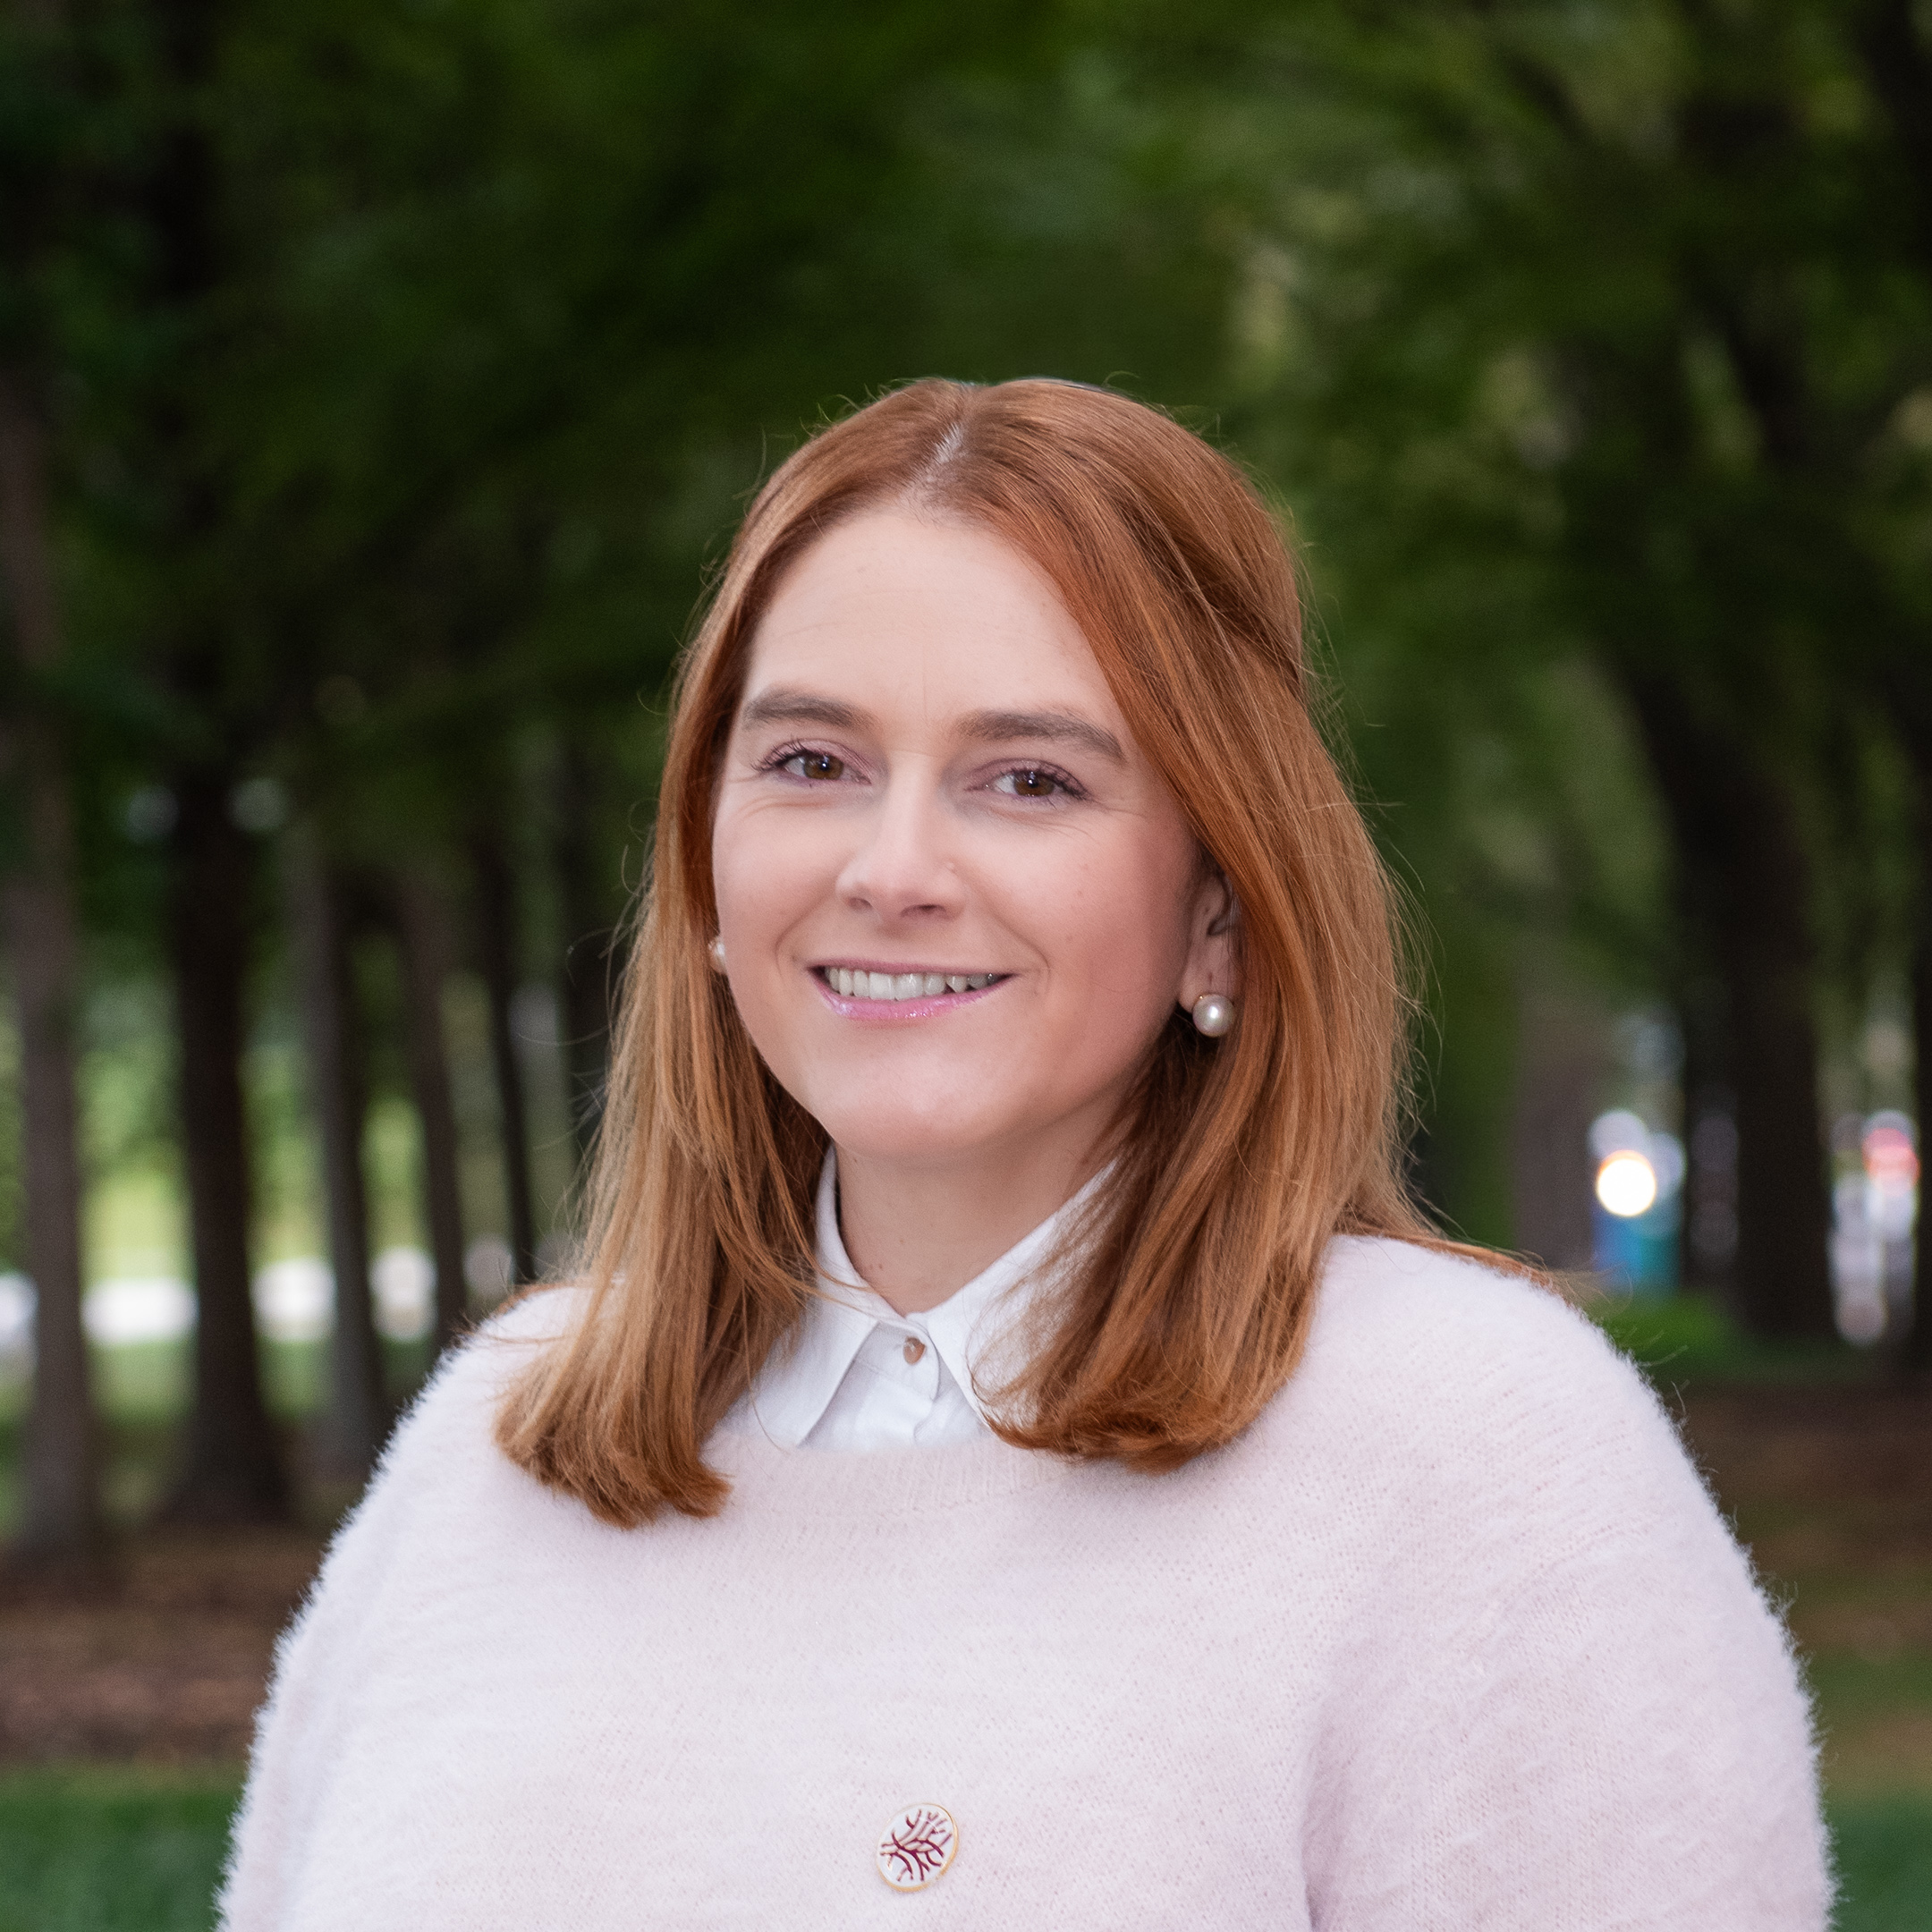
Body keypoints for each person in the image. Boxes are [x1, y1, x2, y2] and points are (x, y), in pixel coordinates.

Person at [221, 379, 1826, 1929]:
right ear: (707, 873)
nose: (893, 866)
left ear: (1218, 903)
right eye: (811, 762)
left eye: (1030, 779)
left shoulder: (1479, 1459)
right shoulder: (488, 1453)